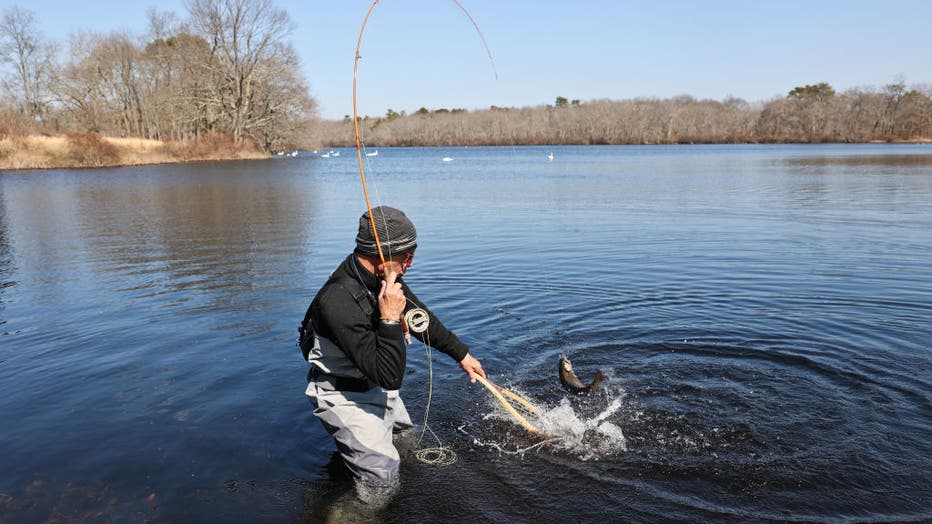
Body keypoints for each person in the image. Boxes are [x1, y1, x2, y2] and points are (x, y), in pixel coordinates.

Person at [299, 206, 485, 499]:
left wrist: (462, 355)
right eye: (407, 256)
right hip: (342, 395)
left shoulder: (384, 279)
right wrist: (388, 318)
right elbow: (391, 377)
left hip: (372, 380)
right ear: (384, 257)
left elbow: (419, 318)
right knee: (382, 479)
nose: (411, 263)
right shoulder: (337, 301)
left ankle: (354, 460)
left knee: (404, 440)